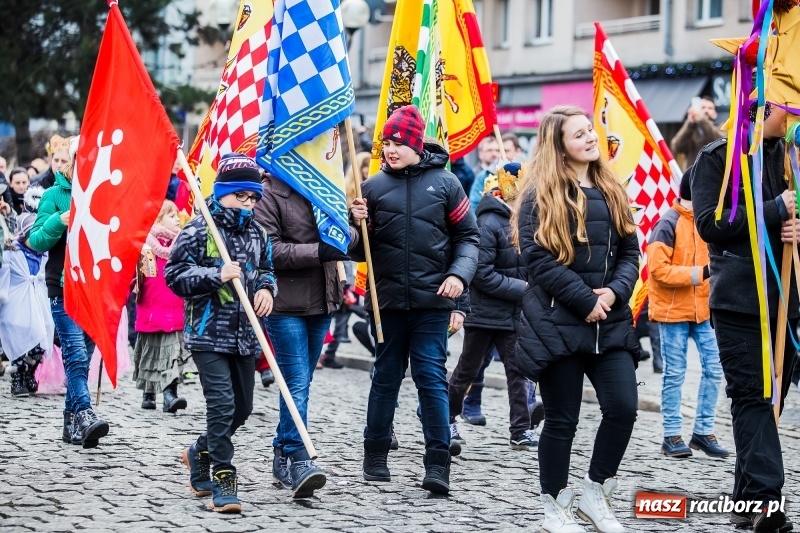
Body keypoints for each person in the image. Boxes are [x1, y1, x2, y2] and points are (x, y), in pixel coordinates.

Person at [693, 9, 800, 529]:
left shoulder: (792, 158)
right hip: (738, 302)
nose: (792, 109)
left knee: (766, 405)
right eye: (784, 101)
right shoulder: (717, 158)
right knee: (753, 399)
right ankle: (766, 505)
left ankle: (742, 502)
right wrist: (777, 210)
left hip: (787, 305)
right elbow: (713, 225)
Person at [513, 106, 640, 533]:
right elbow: (536, 259)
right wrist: (584, 299)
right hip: (557, 323)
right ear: (558, 146)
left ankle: (595, 492)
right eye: (579, 134)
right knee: (562, 418)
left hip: (611, 323)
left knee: (623, 407)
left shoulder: (611, 186)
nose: (590, 138)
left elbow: (630, 252)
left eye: (591, 130)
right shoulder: (539, 194)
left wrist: (616, 291)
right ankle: (555, 507)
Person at [350, 104, 479, 495]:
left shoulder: (446, 184)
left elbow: (468, 239)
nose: (390, 149)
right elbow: (359, 252)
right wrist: (355, 226)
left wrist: (459, 278)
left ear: (416, 144)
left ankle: (438, 463)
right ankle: (375, 454)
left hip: (432, 303)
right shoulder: (370, 188)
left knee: (431, 380)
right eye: (386, 142)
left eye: (398, 143)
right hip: (386, 302)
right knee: (385, 378)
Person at [166, 153, 277, 513]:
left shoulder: (259, 232)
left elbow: (266, 269)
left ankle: (199, 451)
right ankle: (224, 479)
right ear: (224, 192)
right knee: (222, 403)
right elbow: (174, 274)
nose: (248, 204)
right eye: (241, 196)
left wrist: (265, 289)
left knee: (242, 408)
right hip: (207, 332)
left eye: (254, 198)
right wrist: (216, 276)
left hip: (245, 334)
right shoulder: (200, 229)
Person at [254, 157, 359, 498]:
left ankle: (282, 450)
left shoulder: (325, 189)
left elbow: (349, 244)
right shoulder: (270, 192)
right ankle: (298, 458)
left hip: (323, 301)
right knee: (296, 382)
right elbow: (269, 250)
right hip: (285, 304)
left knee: (301, 381)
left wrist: (357, 224)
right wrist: (320, 250)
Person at [27, 136, 110, 448]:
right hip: (62, 288)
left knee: (83, 358)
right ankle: (85, 414)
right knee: (75, 353)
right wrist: (59, 221)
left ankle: (70, 421)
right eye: (81, 159)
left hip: (94, 289)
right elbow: (35, 240)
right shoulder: (53, 195)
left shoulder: (102, 196)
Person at [447, 161, 535, 451]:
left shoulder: (526, 221)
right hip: (484, 314)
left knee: (517, 371)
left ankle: (520, 430)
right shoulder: (488, 222)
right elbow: (482, 274)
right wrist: (522, 289)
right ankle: (445, 419)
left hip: (514, 314)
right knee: (467, 371)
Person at [646, 169, 728, 459]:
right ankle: (671, 436)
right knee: (675, 374)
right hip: (672, 313)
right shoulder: (667, 223)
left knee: (715, 369)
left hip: (703, 310)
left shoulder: (708, 222)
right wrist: (701, 274)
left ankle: (703, 432)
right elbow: (657, 270)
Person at [132, 200, 190, 413]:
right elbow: (139, 275)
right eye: (171, 215)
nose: (177, 219)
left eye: (177, 215)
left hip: (175, 305)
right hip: (152, 306)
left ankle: (169, 394)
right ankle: (148, 392)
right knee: (150, 348)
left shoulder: (182, 243)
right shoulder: (145, 245)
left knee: (172, 351)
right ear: (158, 219)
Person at [0, 212, 52, 397]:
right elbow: (4, 279)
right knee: (20, 337)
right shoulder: (12, 253)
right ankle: (18, 377)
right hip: (17, 304)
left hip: (38, 303)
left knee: (42, 337)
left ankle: (30, 372)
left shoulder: (44, 255)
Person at [670, 96, 723, 171]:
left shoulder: (721, 127)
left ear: (715, 114)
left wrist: (702, 120)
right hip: (692, 177)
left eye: (710, 108)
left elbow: (719, 141)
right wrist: (690, 123)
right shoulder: (691, 129)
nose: (706, 111)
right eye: (703, 107)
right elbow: (676, 147)